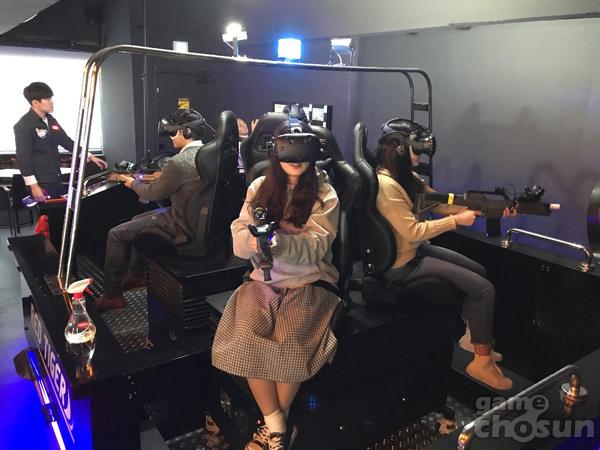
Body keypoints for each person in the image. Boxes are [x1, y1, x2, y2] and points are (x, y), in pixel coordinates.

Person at [212, 119, 341, 450]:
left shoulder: (325, 194)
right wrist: (255, 242)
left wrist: (279, 243)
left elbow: (317, 247)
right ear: (275, 149)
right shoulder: (259, 187)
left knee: (290, 344)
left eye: (302, 147)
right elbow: (238, 236)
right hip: (264, 281)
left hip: (309, 282)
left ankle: (272, 431)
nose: (295, 158)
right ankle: (278, 425)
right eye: (287, 147)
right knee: (245, 339)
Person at [374, 118, 515, 391]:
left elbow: (440, 203)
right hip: (402, 263)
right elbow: (413, 230)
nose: (420, 156)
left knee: (479, 272)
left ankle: (473, 339)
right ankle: (481, 363)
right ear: (399, 148)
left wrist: (490, 209)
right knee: (484, 289)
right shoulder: (387, 186)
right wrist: (456, 221)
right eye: (416, 149)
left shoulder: (407, 178)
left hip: (414, 250)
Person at [96, 109, 208, 312]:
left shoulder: (178, 162)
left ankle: (112, 295)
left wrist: (131, 183)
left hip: (181, 224)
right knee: (138, 218)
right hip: (198, 219)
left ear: (187, 132)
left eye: (173, 133)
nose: (171, 137)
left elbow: (151, 194)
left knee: (116, 234)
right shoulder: (208, 155)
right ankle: (136, 275)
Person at [14, 82, 107, 200]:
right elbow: (23, 157)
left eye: (51, 98)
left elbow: (66, 141)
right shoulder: (24, 125)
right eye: (47, 99)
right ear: (35, 103)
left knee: (59, 209)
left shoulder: (50, 120)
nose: (51, 102)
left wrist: (89, 156)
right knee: (46, 211)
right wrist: (33, 186)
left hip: (56, 177)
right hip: (40, 182)